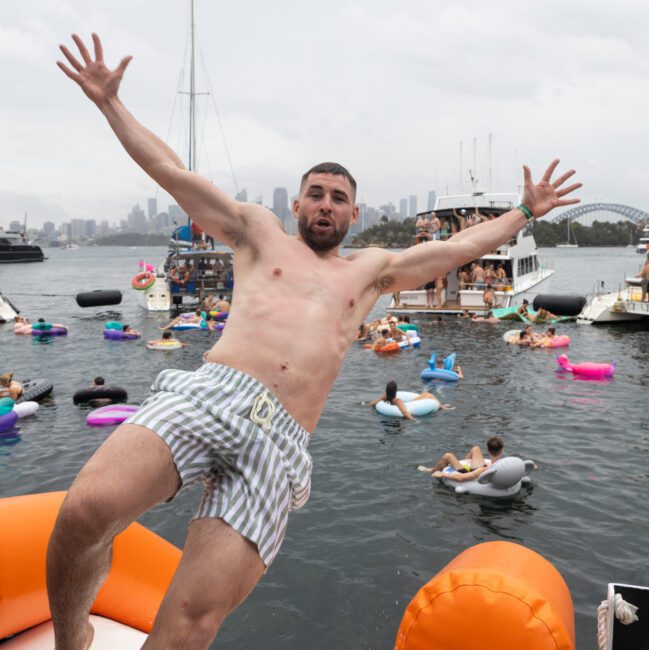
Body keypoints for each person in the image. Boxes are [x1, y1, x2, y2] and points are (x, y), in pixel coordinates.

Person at [51, 32, 581, 649]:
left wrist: (526, 210)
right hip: (212, 394)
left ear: (353, 214)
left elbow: (462, 247)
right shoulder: (257, 233)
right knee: (84, 512)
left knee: (193, 620)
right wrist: (110, 103)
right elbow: (171, 172)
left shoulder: (370, 273)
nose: (326, 205)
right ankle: (72, 641)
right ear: (299, 201)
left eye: (340, 199)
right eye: (317, 194)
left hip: (278, 442)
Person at [417, 436, 505, 480]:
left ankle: (432, 470)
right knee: (475, 448)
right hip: (481, 467)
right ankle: (463, 464)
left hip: (474, 473)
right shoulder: (505, 463)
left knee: (448, 456)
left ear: (487, 450)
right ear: (502, 450)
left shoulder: (483, 469)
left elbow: (461, 478)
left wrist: (443, 474)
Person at [367, 381, 451, 420]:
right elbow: (405, 413)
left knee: (426, 394)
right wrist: (414, 421)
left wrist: (366, 404)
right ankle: (442, 407)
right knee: (428, 395)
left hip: (402, 405)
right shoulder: (397, 400)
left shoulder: (385, 396)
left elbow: (375, 402)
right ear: (395, 390)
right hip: (409, 404)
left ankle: (442, 406)